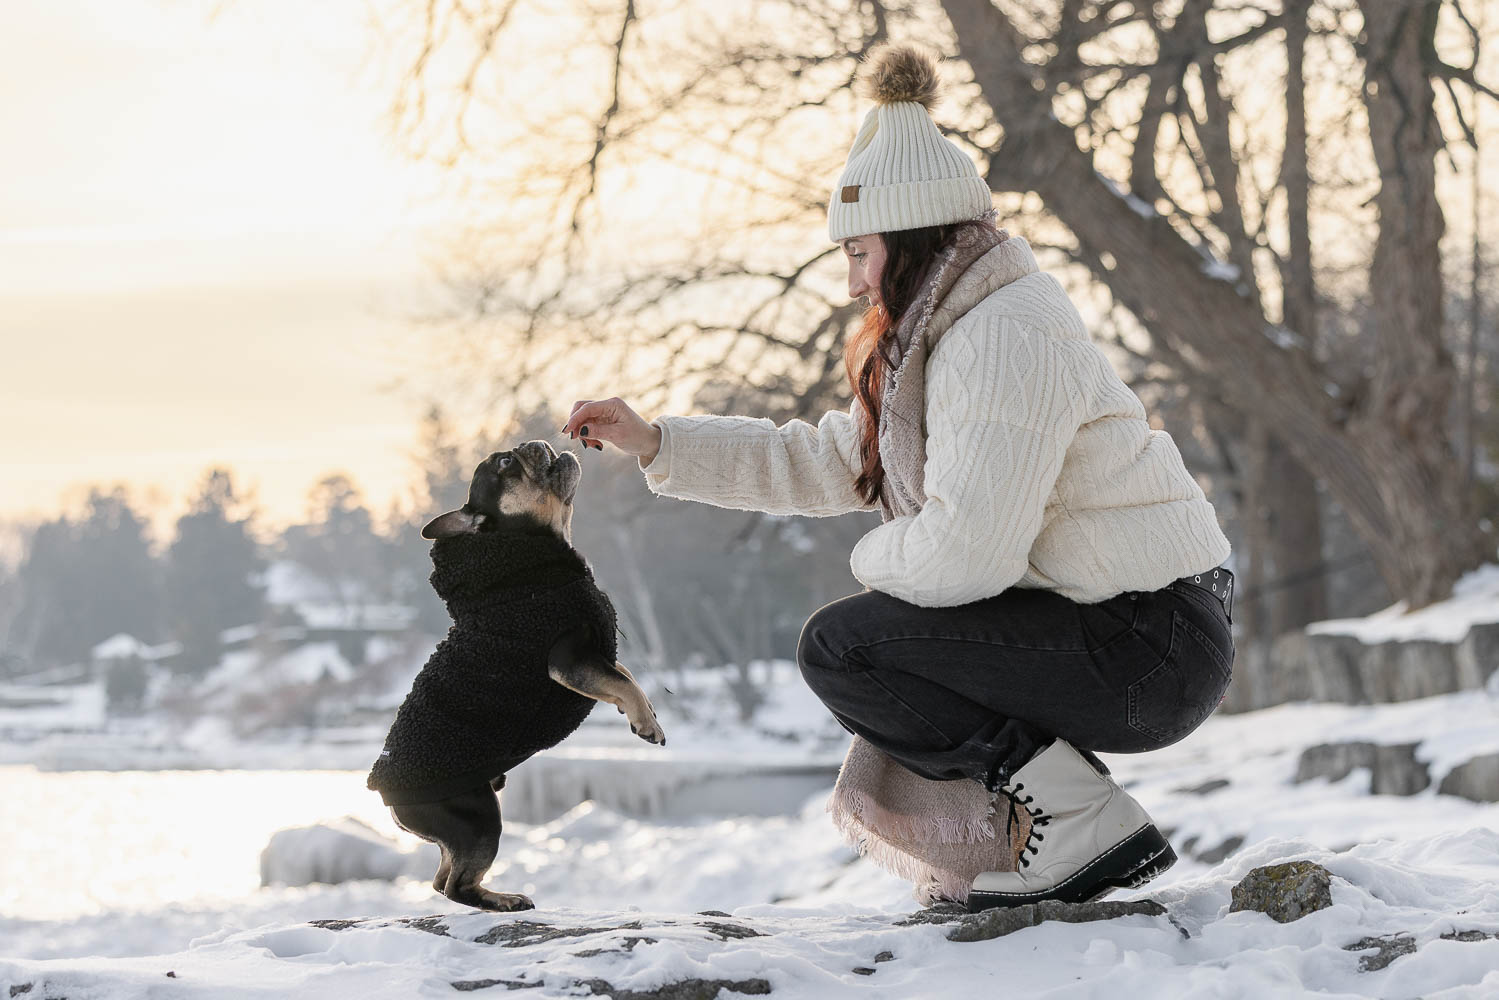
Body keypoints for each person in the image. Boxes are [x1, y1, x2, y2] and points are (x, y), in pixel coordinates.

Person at [559, 42, 1234, 910]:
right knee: (864, 640)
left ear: (911, 242)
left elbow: (965, 560)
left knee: (852, 646)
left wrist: (871, 562)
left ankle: (1076, 819)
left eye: (858, 255)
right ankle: (1060, 823)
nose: (850, 285)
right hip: (1129, 629)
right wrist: (658, 443)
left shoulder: (999, 335)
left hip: (1151, 645)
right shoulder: (940, 341)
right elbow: (833, 461)